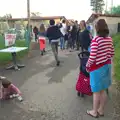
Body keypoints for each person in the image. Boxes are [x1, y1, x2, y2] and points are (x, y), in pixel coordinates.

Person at [86, 19, 114, 118]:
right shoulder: (109, 39)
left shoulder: (96, 40)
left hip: (97, 68)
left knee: (96, 91)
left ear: (97, 28)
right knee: (103, 89)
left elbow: (92, 56)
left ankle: (94, 111)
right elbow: (112, 54)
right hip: (107, 66)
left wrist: (87, 65)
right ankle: (101, 110)